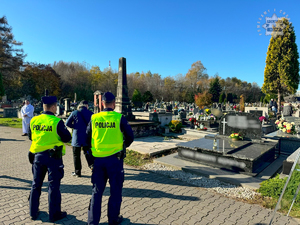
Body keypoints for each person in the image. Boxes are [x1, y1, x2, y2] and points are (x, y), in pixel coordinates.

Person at [87, 92, 134, 225]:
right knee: (115, 191)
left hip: (98, 161)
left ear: (102, 104)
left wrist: (90, 159)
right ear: (114, 103)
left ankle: (92, 222)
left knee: (96, 192)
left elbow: (86, 139)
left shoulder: (94, 118)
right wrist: (123, 146)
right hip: (115, 161)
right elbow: (130, 137)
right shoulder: (119, 118)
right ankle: (113, 219)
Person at [28, 96, 72, 222]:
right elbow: (66, 137)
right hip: (53, 158)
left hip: (37, 156)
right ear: (53, 107)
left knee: (36, 184)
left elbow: (31, 136)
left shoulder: (34, 120)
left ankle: (33, 212)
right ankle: (54, 214)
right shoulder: (56, 121)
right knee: (53, 186)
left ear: (43, 107)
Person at [66, 100, 94, 177]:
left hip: (77, 137)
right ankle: (92, 167)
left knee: (76, 155)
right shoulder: (91, 114)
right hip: (86, 137)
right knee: (88, 153)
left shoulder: (74, 113)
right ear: (87, 106)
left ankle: (77, 172)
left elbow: (67, 123)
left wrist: (75, 127)